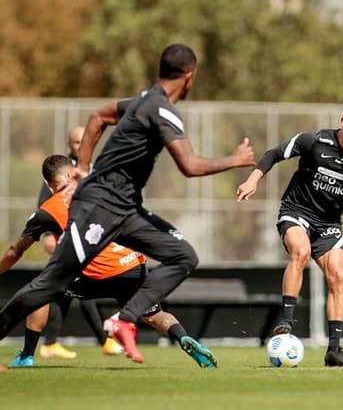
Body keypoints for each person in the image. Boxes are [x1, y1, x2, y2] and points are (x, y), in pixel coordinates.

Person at [0, 43, 255, 364]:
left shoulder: (142, 101)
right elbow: (189, 166)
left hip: (125, 211)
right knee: (48, 285)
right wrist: (235, 159)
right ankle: (125, 319)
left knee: (183, 255)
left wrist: (82, 167)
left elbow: (97, 117)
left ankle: (124, 319)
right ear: (189, 77)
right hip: (99, 208)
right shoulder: (162, 110)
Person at [1, 155, 216, 368]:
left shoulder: (47, 210)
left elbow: (14, 251)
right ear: (71, 173)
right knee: (154, 315)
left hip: (97, 275)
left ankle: (27, 356)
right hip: (133, 265)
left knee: (42, 291)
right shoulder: (102, 188)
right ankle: (184, 338)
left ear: (50, 184)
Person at [236, 99, 343, 367]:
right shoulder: (314, 141)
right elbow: (273, 153)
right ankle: (286, 321)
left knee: (338, 274)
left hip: (329, 224)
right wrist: (253, 179)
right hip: (296, 211)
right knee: (301, 250)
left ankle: (333, 349)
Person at [36, 126, 122, 359]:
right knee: (80, 282)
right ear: (69, 144)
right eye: (75, 142)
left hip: (94, 237)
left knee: (66, 290)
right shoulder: (62, 171)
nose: (80, 145)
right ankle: (104, 339)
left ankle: (50, 342)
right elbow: (46, 204)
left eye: (83, 140)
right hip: (70, 238)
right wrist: (46, 235)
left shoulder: (98, 166)